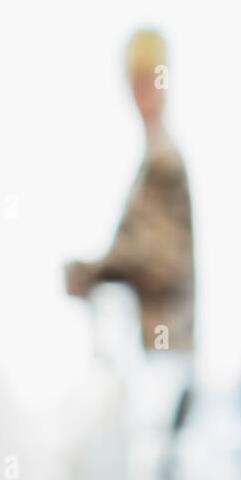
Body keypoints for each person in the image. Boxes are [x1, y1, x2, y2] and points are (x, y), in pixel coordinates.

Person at [65, 28, 195, 352]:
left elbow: (150, 256)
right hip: (151, 348)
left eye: (149, 79)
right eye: (135, 81)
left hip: (164, 346)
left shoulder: (163, 159)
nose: (141, 91)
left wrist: (88, 272)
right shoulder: (150, 157)